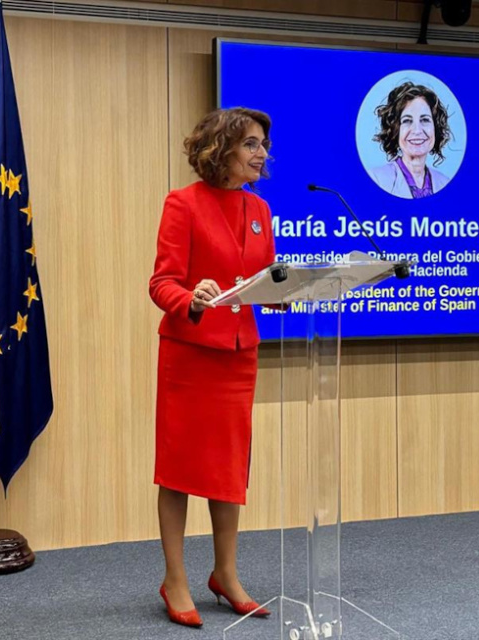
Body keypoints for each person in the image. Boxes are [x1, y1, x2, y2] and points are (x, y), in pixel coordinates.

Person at [148, 107, 276, 628]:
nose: (261, 153)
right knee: (179, 472)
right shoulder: (183, 205)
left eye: (263, 143)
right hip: (191, 354)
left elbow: (262, 276)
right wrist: (193, 298)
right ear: (220, 149)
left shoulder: (261, 209)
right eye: (250, 143)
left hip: (239, 355)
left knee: (227, 471)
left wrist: (281, 292)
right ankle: (174, 579)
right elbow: (162, 284)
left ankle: (226, 574)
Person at [369, 82, 454, 199]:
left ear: (436, 128)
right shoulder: (376, 179)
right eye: (407, 120)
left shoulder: (445, 183)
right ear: (395, 130)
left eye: (425, 120)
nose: (417, 130)